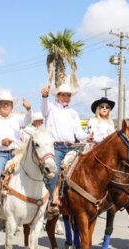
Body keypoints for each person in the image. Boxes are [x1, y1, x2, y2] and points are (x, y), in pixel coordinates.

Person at [0, 91, 32, 226]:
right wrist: (0, 143)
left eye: (8, 104)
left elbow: (27, 121)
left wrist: (28, 109)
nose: (6, 106)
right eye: (3, 104)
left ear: (12, 107)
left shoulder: (17, 118)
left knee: (30, 175)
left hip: (16, 153)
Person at [41, 83, 91, 216]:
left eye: (68, 95)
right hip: (55, 147)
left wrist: (88, 136)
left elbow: (78, 133)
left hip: (71, 147)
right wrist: (45, 96)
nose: (65, 97)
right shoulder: (50, 108)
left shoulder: (73, 113)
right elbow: (43, 110)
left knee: (83, 171)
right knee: (54, 172)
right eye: (63, 94)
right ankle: (54, 198)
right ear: (57, 96)